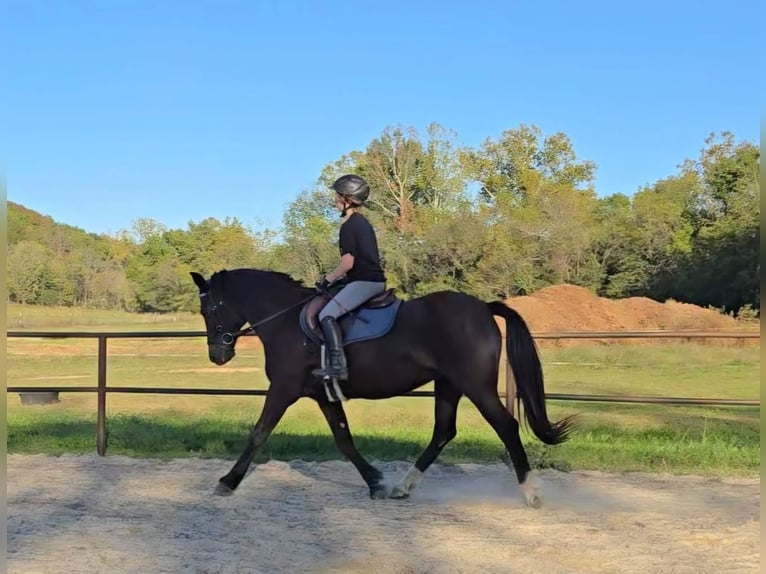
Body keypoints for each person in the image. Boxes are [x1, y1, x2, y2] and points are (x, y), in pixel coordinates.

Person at [312, 174, 386, 381]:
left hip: (366, 282)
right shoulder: (362, 222)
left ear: (347, 199)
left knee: (325, 315)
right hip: (368, 279)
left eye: (337, 196)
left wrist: (326, 280)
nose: (335, 200)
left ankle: (337, 365)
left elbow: (348, 263)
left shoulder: (349, 225)